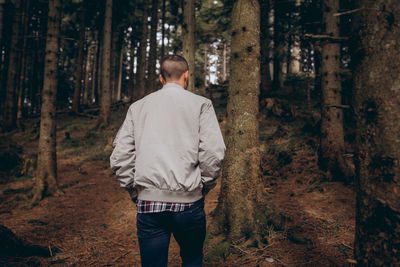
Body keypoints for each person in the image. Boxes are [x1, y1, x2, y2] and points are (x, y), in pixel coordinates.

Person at [110, 55, 226, 267]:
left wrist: (134, 190)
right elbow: (214, 152)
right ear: (187, 75)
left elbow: (120, 156)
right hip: (189, 203)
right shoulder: (202, 105)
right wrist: (204, 186)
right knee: (192, 260)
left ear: (161, 78)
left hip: (149, 204)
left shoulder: (138, 107)